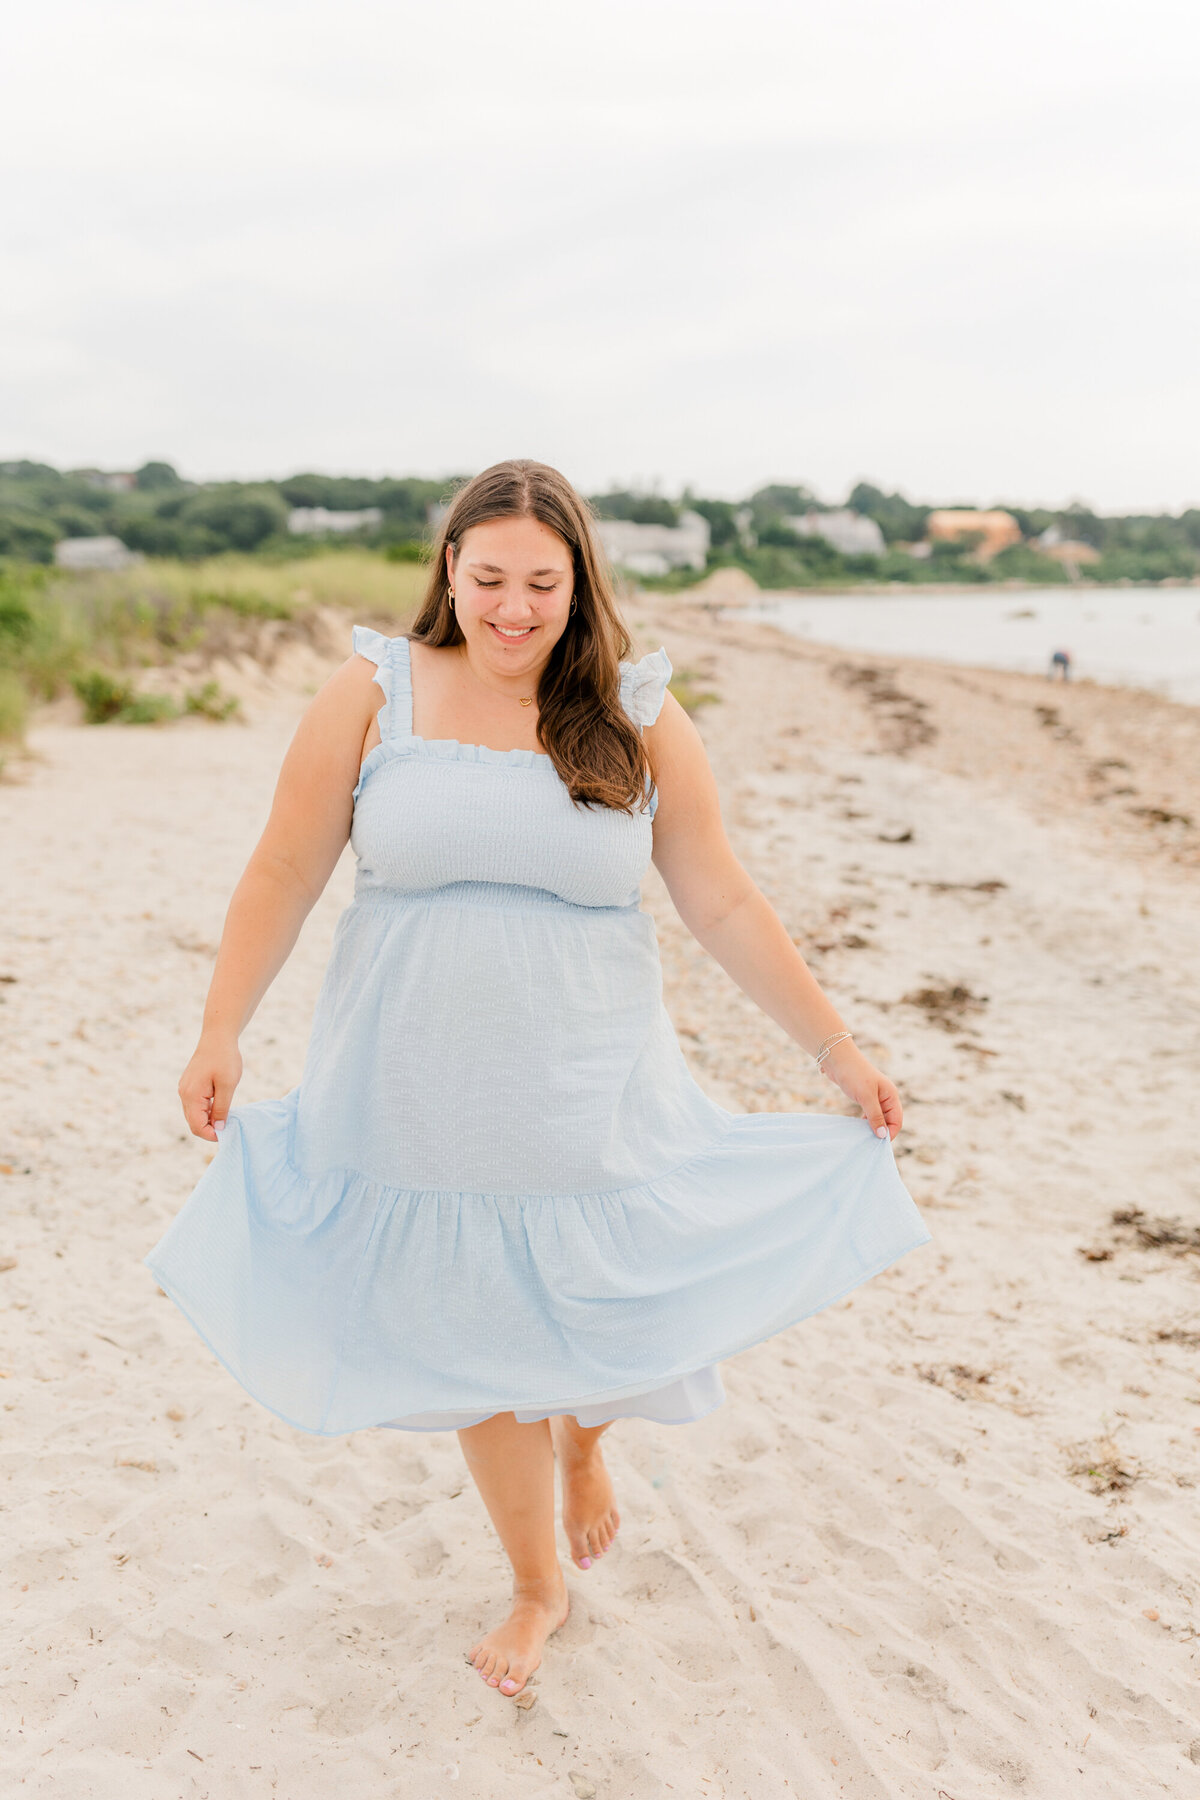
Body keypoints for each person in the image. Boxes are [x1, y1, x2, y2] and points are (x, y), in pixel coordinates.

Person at [144, 458, 929, 1701]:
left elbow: (720, 896)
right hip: (417, 1087)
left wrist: (840, 1052)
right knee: (474, 1330)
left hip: (586, 1081)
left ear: (580, 585)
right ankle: (536, 1585)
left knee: (612, 1301)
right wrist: (219, 1028)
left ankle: (586, 1442)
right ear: (449, 568)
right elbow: (284, 869)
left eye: (541, 583)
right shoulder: (374, 691)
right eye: (490, 576)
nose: (513, 608)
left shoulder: (634, 709)